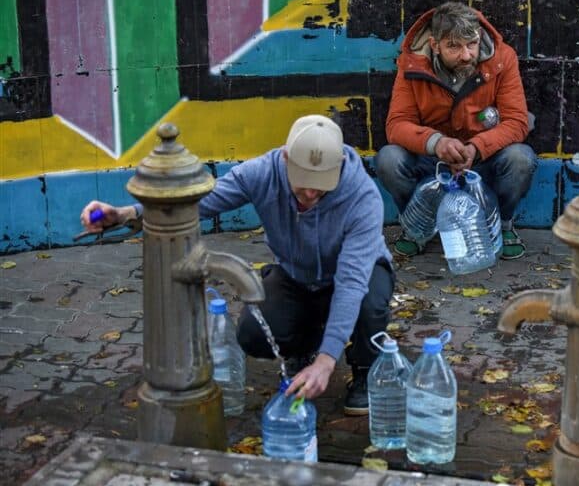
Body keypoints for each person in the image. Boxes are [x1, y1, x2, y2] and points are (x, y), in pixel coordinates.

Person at [79, 115, 393, 416]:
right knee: (254, 334)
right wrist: (125, 215)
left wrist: (327, 362)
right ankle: (304, 348)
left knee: (369, 301)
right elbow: (196, 203)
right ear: (285, 159)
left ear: (338, 167)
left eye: (321, 185)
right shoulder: (262, 173)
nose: (311, 194)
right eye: (303, 182)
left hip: (357, 275)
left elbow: (351, 282)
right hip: (297, 276)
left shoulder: (363, 198)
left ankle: (365, 368)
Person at [376, 1, 536, 260]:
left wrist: (477, 147)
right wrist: (436, 143)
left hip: (482, 160)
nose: (466, 55)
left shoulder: (502, 59)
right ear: (434, 45)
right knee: (388, 158)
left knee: (521, 158)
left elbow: (517, 121)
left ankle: (502, 225)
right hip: (433, 162)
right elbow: (397, 124)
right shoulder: (412, 64)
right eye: (453, 46)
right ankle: (417, 228)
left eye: (471, 44)